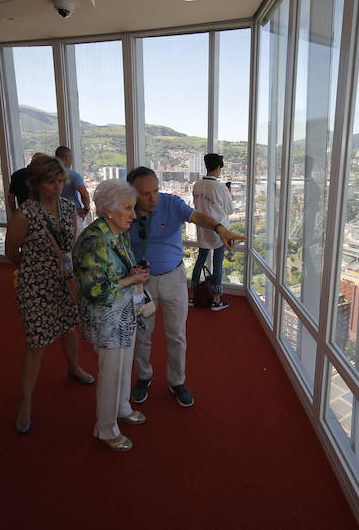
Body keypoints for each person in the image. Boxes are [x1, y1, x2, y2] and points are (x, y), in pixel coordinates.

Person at [126, 166, 244, 407]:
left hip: (173, 278)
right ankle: (143, 377)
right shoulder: (125, 211)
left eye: (156, 191)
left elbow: (197, 217)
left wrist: (219, 228)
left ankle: (177, 381)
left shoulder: (171, 203)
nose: (153, 198)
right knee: (142, 333)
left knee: (177, 334)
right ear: (132, 194)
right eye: (145, 194)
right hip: (140, 285)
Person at [4, 153, 94, 434]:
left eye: (59, 181)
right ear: (36, 183)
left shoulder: (68, 208)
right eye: (50, 182)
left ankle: (73, 366)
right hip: (36, 286)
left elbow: (72, 244)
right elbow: (11, 252)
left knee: (69, 326)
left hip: (65, 280)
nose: (57, 187)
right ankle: (26, 402)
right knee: (36, 342)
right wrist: (34, 271)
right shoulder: (24, 215)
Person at [73, 179, 150, 451]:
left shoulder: (118, 232)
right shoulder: (93, 241)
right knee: (110, 371)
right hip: (106, 315)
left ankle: (122, 407)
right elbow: (95, 289)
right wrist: (130, 282)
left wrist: (132, 274)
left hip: (123, 311)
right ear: (108, 210)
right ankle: (104, 428)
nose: (133, 214)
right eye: (128, 209)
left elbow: (119, 270)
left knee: (124, 364)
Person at [189, 153, 233, 311]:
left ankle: (192, 297)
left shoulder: (197, 185)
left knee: (199, 262)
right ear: (218, 167)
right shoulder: (221, 188)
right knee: (217, 264)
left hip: (202, 229)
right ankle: (216, 299)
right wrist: (229, 193)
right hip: (219, 231)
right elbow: (229, 210)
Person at [54, 146, 91, 224]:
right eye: (71, 157)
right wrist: (86, 208)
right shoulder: (73, 175)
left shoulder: (50, 174)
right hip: (73, 214)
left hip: (54, 214)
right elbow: (84, 194)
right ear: (67, 157)